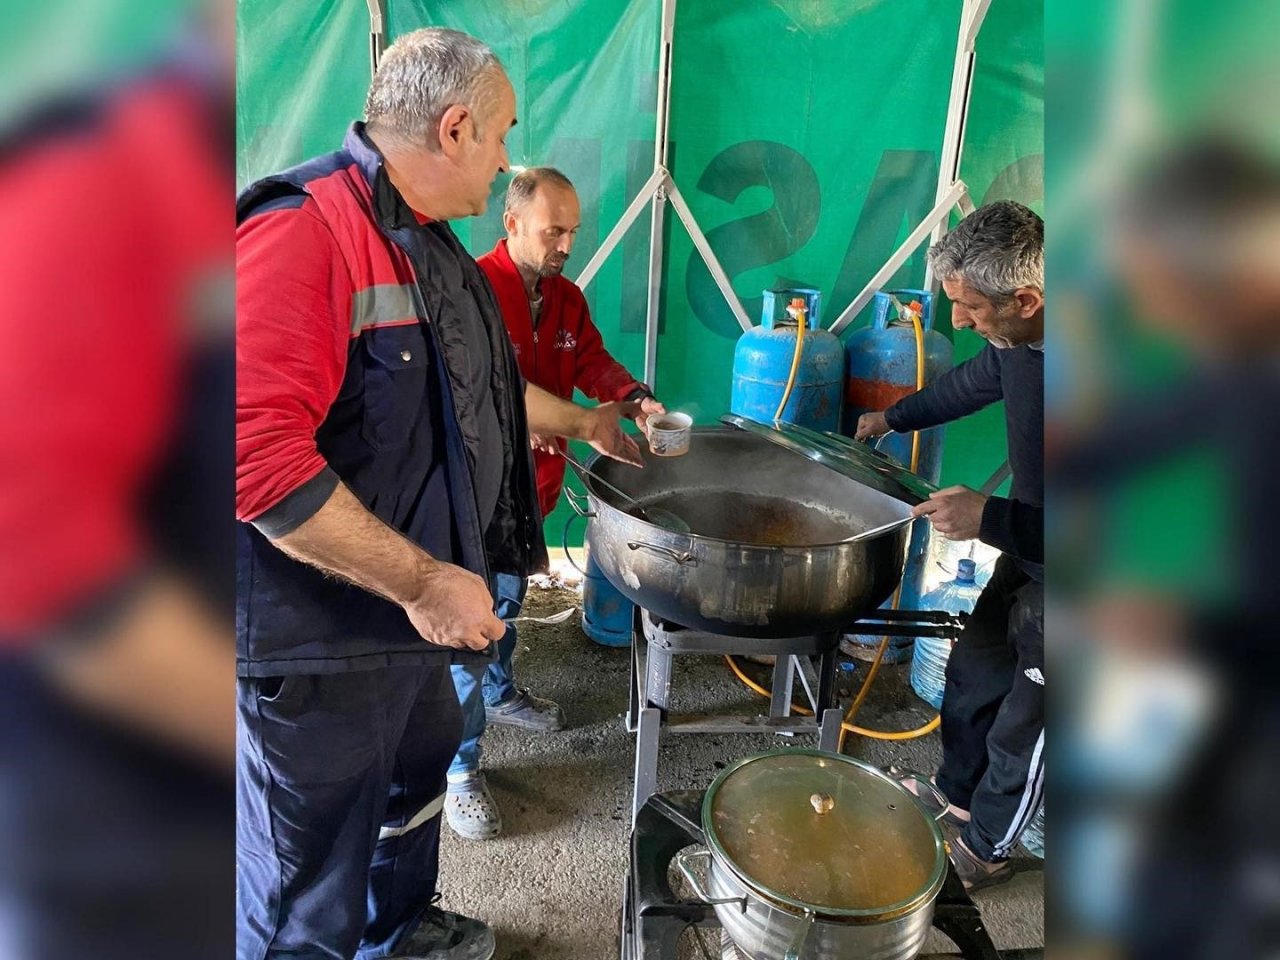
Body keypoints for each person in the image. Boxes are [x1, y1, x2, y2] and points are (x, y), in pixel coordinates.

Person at [236, 28, 643, 960]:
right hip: (324, 639)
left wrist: (578, 431)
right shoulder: (307, 228)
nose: (506, 159)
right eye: (501, 135)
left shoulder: (427, 243)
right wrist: (424, 582)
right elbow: (252, 458)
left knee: (410, 791)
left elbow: (476, 394)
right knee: (306, 871)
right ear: (455, 128)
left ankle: (398, 931)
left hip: (407, 624)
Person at [443, 167, 663, 840]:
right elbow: (485, 389)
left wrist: (633, 399)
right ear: (510, 224)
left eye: (573, 230)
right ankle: (458, 768)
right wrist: (579, 422)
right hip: (472, 494)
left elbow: (591, 360)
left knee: (507, 600)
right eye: (553, 230)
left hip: (528, 490)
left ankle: (500, 692)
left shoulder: (566, 299)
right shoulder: (470, 290)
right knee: (466, 623)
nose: (566, 242)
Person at [856, 200, 1044, 891]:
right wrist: (889, 417)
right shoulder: (1020, 341)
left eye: (969, 308)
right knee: (975, 670)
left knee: (1034, 720)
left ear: (1025, 298)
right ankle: (958, 797)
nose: (958, 321)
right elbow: (973, 383)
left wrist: (987, 515)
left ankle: (988, 847)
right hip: (1033, 543)